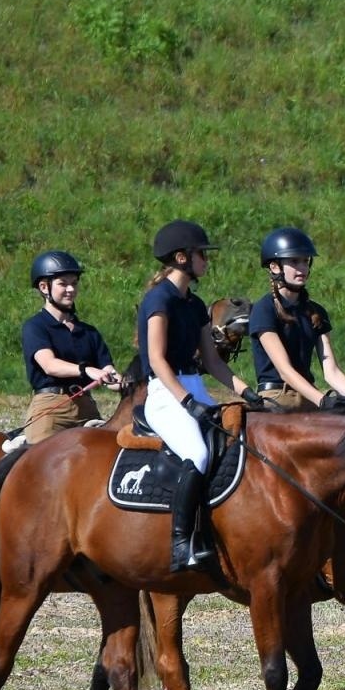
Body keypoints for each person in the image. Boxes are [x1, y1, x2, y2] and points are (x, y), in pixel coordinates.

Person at [137, 220, 262, 571]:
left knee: (234, 445)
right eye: (201, 254)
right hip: (165, 392)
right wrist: (187, 402)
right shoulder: (158, 299)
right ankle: (180, 542)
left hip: (194, 386)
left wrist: (246, 392)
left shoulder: (195, 305)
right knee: (197, 452)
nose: (206, 260)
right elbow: (158, 360)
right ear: (181, 258)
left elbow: (212, 362)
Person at [249, 226, 345, 411]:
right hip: (277, 398)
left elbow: (331, 372)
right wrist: (322, 400)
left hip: (309, 396)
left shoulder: (316, 311)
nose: (302, 267)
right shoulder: (264, 309)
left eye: (305, 261)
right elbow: (285, 371)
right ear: (274, 266)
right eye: (294, 261)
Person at [19, 251, 121, 444]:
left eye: (74, 283)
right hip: (51, 410)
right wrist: (86, 370)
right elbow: (50, 365)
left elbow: (109, 373)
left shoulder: (89, 332)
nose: (71, 289)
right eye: (63, 283)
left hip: (86, 408)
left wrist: (131, 382)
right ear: (44, 287)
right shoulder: (35, 327)